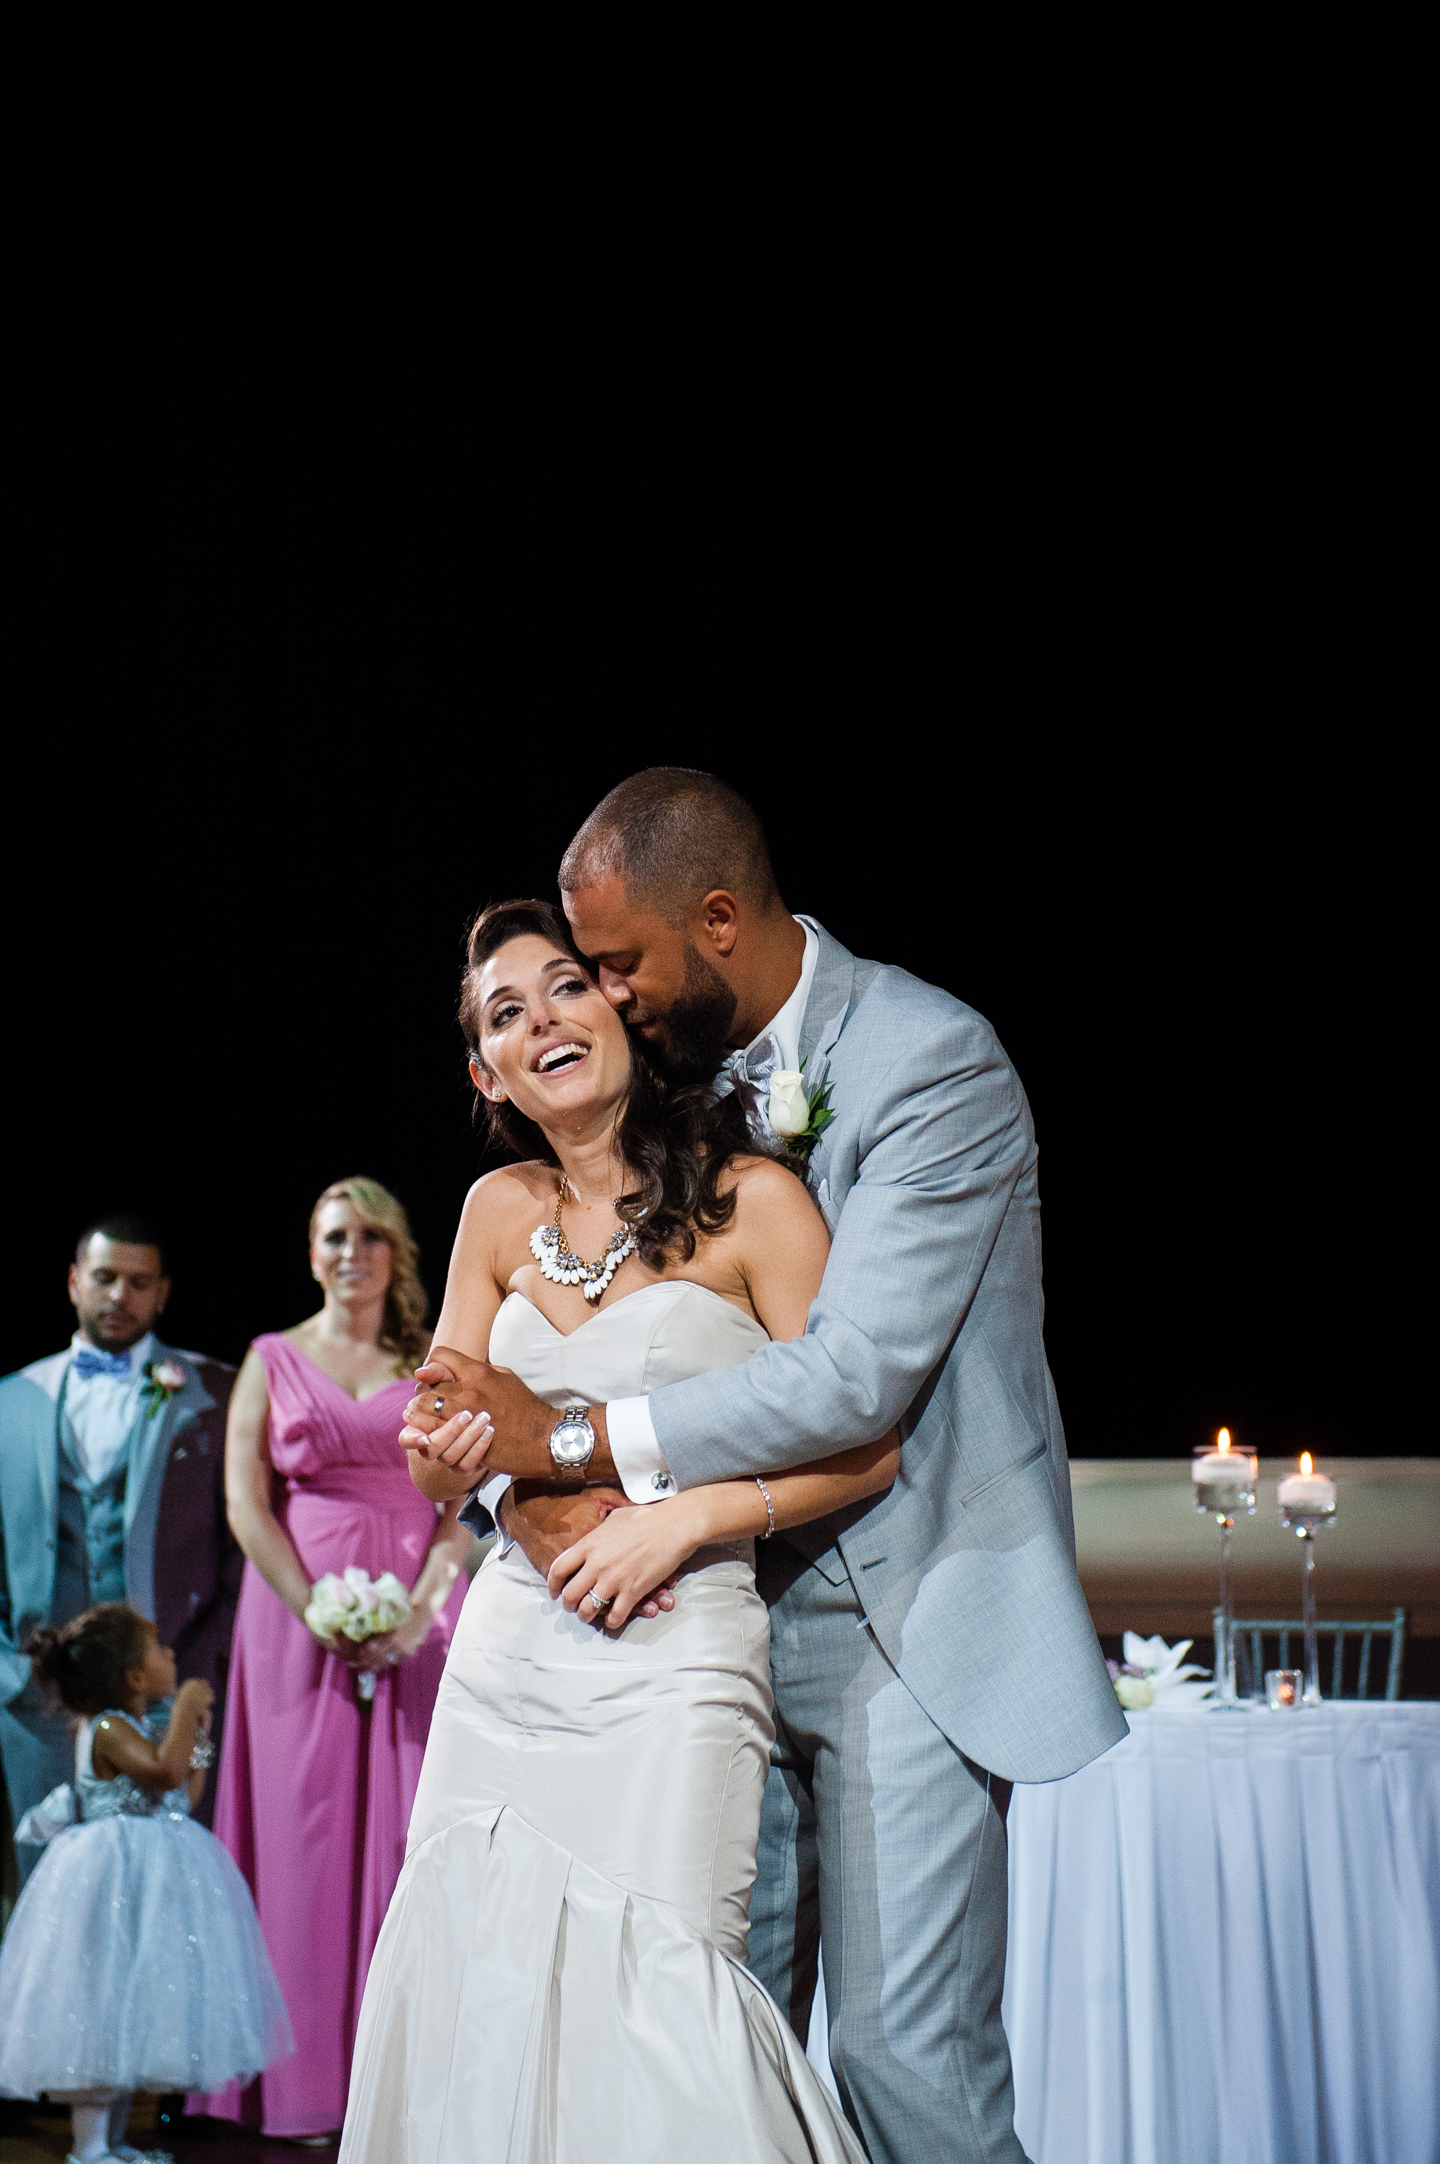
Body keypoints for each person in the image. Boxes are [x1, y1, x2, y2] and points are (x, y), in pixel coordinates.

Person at [402, 770, 1128, 2164]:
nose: (599, 999)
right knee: (698, 2047)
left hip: (903, 1612)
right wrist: (514, 1491)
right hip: (697, 1648)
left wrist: (573, 1446)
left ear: (717, 919)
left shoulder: (929, 1061)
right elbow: (485, 1393)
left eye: (611, 965)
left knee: (902, 2063)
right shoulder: (655, 1093)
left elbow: (859, 1383)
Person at [341, 898, 881, 2161]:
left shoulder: (758, 1201)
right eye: (508, 1014)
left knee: (663, 1983)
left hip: (680, 1640)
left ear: (618, 1008)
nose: (547, 1019)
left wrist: (685, 1521)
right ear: (491, 1072)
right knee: (478, 1966)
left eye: (566, 986)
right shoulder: (489, 1212)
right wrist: (458, 1464)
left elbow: (862, 1443)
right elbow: (440, 1441)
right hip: (509, 1655)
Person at [203, 1178, 470, 2146]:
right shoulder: (271, 1359)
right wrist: (312, 1601)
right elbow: (245, 1502)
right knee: (302, 1844)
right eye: (331, 1236)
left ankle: (411, 2085)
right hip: (293, 1624)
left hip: (420, 1617)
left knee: (415, 1840)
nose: (350, 1250)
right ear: (310, 1253)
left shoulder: (433, 1359)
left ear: (396, 1251)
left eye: (368, 1235)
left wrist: (424, 1613)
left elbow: (461, 1514)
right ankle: (306, 2087)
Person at [0, 1602, 291, 2164]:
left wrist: (197, 1735)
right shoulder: (107, 1727)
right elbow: (161, 1771)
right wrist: (185, 1706)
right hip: (112, 1879)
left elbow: (180, 1795)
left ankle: (114, 2142)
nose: (171, 1654)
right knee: (102, 2007)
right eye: (159, 1648)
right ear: (133, 1676)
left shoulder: (132, 1726)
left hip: (150, 1879)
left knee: (134, 2014)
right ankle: (89, 2148)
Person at [0, 1215, 241, 1890]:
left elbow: (239, 1543)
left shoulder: (214, 1393)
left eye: (139, 1283)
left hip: (167, 1692)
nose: (120, 1296)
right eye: (105, 1278)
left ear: (162, 1294)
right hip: (36, 1702)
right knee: (49, 1893)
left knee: (166, 1893)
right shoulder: (12, 1400)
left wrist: (203, 1663)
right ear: (75, 1281)